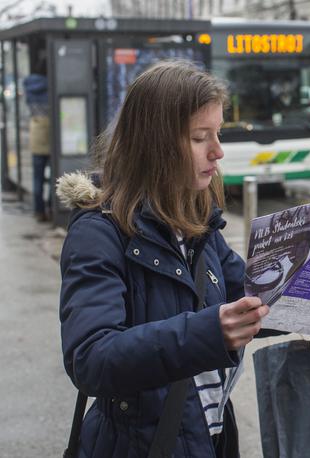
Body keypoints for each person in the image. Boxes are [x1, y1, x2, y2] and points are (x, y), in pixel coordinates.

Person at [56, 61, 271, 457]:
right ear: (153, 142)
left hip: (208, 435)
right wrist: (209, 332)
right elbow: (91, 359)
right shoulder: (99, 231)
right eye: (199, 137)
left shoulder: (197, 220)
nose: (218, 151)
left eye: (218, 134)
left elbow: (253, 299)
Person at [23, 73, 51, 222]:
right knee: (56, 177)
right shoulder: (51, 84)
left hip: (36, 134)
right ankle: (52, 207)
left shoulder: (29, 87)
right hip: (50, 134)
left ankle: (39, 211)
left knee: (37, 178)